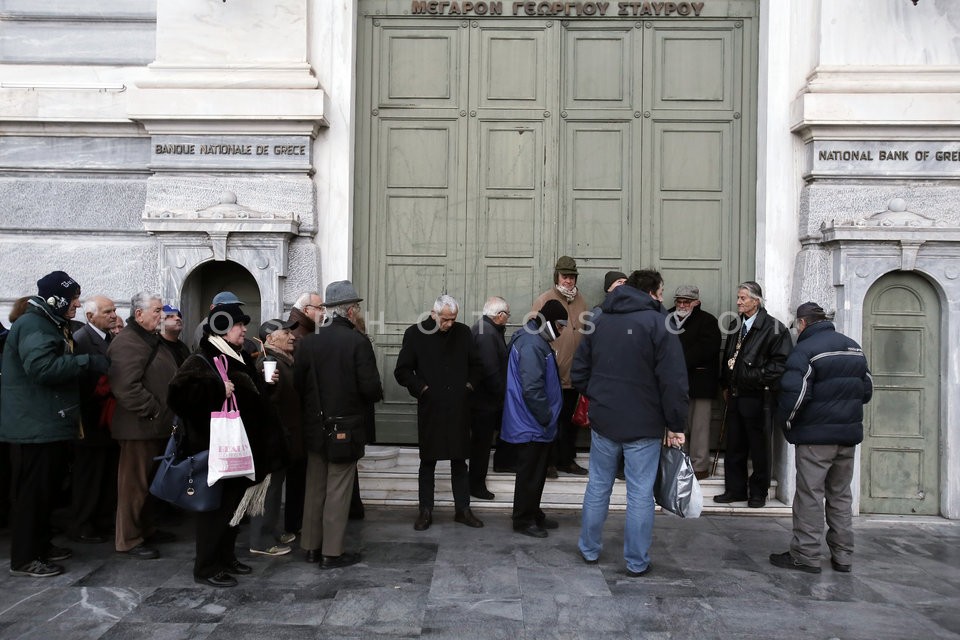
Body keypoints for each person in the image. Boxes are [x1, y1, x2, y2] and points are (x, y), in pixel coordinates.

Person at [572, 269, 688, 576]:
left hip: (605, 418)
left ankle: (589, 549)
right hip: (644, 422)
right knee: (639, 492)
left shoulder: (598, 320)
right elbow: (673, 381)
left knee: (598, 485)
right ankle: (636, 561)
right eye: (662, 293)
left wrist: (599, 397)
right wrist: (676, 424)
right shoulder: (659, 323)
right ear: (651, 293)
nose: (663, 300)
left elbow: (579, 372)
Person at [0, 271, 109, 577]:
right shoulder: (34, 324)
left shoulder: (47, 322)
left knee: (46, 492)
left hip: (46, 423)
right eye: (73, 298)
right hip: (33, 428)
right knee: (31, 495)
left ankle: (41, 545)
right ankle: (24, 558)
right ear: (56, 299)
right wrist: (86, 362)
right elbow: (42, 368)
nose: (77, 303)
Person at [167, 302, 273, 587]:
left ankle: (226, 558)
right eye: (239, 325)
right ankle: (206, 567)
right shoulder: (202, 358)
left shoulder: (237, 355)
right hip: (215, 450)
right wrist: (215, 389)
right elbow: (177, 396)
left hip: (240, 449)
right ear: (223, 328)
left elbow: (250, 397)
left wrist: (266, 384)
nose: (244, 330)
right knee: (215, 512)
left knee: (232, 510)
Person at [769, 302, 873, 574]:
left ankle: (806, 554)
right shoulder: (853, 347)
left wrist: (788, 425)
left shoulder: (805, 350)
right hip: (847, 437)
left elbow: (795, 396)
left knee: (810, 496)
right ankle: (843, 556)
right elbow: (867, 390)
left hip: (816, 438)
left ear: (802, 323)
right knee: (840, 496)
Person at [294, 281, 382, 568]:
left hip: (314, 426)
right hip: (345, 427)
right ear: (351, 310)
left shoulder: (309, 342)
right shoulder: (357, 342)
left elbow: (298, 384)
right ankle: (332, 552)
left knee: (315, 488)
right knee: (338, 489)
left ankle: (310, 547)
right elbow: (370, 389)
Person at [394, 294, 484, 531]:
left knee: (459, 461)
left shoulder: (463, 333)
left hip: (458, 407)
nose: (449, 324)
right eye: (445, 319)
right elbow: (402, 371)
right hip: (431, 407)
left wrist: (469, 387)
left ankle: (463, 510)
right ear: (433, 314)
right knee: (428, 462)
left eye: (453, 319)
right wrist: (422, 389)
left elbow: (477, 366)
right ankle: (425, 510)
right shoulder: (414, 334)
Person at [108, 292, 180, 559]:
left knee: (148, 484)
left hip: (155, 426)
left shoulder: (148, 339)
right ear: (139, 314)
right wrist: (154, 410)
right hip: (138, 428)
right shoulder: (128, 342)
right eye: (157, 310)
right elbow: (125, 387)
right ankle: (128, 538)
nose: (161, 315)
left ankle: (145, 529)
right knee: (133, 486)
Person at [714, 281, 792, 508]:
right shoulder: (736, 325)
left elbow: (780, 365)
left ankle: (758, 492)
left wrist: (751, 377)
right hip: (736, 395)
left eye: (742, 298)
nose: (738, 302)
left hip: (759, 396)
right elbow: (729, 357)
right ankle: (735, 489)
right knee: (735, 444)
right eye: (738, 298)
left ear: (756, 301)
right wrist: (726, 385)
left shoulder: (774, 328)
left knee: (759, 447)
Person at [502, 300, 567, 538]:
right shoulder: (532, 343)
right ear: (549, 321)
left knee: (536, 473)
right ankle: (523, 519)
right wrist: (547, 417)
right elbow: (532, 389)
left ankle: (533, 512)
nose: (561, 331)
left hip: (534, 422)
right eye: (560, 326)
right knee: (529, 473)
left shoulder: (535, 339)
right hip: (531, 422)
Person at [69, 295, 120, 544]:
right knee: (89, 475)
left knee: (106, 473)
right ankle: (83, 524)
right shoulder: (82, 341)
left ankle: (101, 520)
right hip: (91, 421)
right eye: (107, 311)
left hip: (107, 421)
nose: (113, 315)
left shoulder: (108, 338)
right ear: (90, 316)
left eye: (113, 310)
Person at [248, 317, 300, 557]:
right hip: (272, 438)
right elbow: (264, 400)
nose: (292, 336)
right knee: (267, 489)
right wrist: (267, 385)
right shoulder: (268, 362)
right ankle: (260, 540)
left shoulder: (284, 360)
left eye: (291, 332)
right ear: (270, 339)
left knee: (275, 487)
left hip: (284, 435)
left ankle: (270, 530)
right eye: (285, 333)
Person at [532, 256, 588, 477]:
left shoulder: (581, 300)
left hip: (575, 374)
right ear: (557, 277)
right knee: (551, 419)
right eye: (565, 276)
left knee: (570, 421)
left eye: (572, 277)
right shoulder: (545, 299)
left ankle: (567, 459)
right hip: (553, 373)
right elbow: (536, 334)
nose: (569, 281)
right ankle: (548, 462)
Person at [667, 285, 721, 480]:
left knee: (699, 427)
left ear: (696, 302)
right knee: (676, 424)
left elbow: (708, 348)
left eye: (686, 302)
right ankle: (678, 463)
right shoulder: (666, 318)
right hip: (673, 383)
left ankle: (699, 467)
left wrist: (679, 360)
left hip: (699, 383)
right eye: (679, 301)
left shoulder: (708, 321)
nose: (682, 305)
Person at [469, 296, 510, 500]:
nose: (508, 318)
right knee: (481, 445)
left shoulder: (486, 329)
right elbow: (490, 369)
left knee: (481, 444)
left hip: (483, 401)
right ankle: (476, 485)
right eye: (507, 315)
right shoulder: (486, 333)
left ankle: (476, 482)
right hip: (483, 403)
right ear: (499, 315)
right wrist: (502, 394)